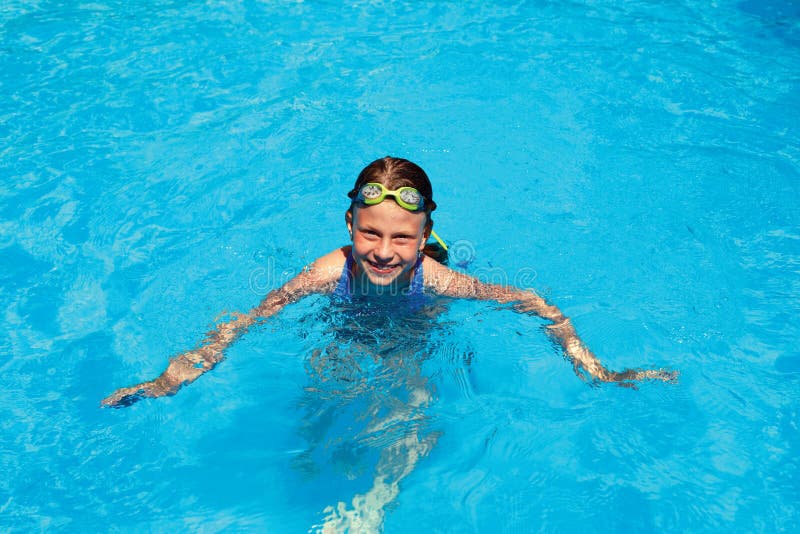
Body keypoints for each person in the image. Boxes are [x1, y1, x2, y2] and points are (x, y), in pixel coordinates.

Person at [102, 156, 675, 408]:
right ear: (349, 225)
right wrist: (172, 377)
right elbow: (245, 321)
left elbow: (537, 305)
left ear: (424, 237)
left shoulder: (438, 279)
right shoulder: (329, 272)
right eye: (369, 233)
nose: (382, 251)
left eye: (402, 238)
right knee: (323, 389)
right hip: (347, 326)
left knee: (410, 401)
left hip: (415, 331)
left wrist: (595, 368)